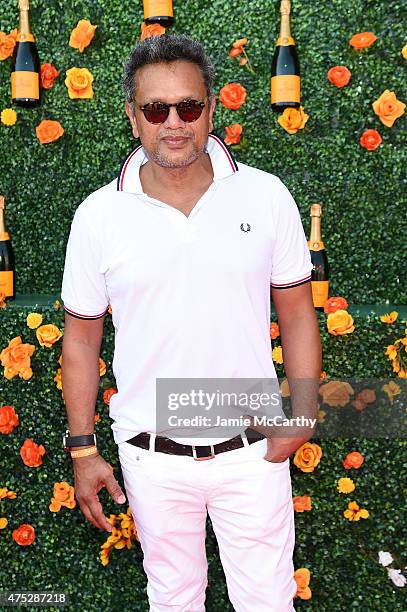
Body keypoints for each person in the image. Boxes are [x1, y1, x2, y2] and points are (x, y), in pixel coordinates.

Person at [61, 33, 321, 612]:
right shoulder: (99, 216)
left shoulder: (265, 196)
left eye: (188, 106)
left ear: (210, 110)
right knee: (173, 601)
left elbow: (298, 313)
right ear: (133, 118)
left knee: (269, 603)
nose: (173, 122)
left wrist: (301, 411)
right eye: (156, 109)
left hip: (252, 451)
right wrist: (83, 450)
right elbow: (81, 341)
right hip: (151, 458)